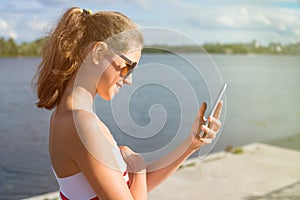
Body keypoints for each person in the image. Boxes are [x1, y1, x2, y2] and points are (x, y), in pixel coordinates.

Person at [34, 7, 223, 200]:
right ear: (98, 52)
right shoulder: (81, 124)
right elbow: (134, 184)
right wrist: (138, 168)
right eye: (128, 67)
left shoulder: (69, 117)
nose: (129, 79)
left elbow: (125, 188)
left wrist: (191, 144)